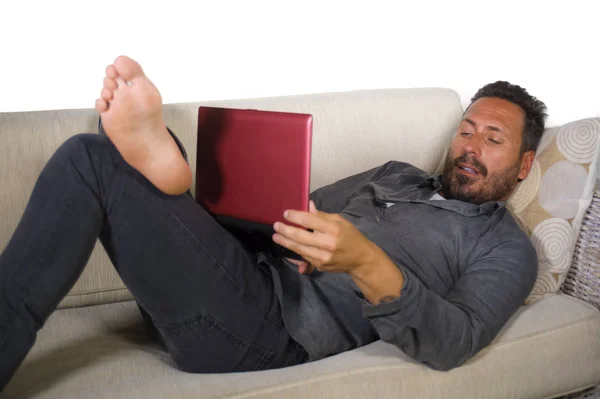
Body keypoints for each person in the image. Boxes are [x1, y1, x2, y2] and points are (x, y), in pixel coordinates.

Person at [0, 56, 547, 391]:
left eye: (492, 139)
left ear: (524, 165)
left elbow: (454, 341)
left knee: (90, 160)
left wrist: (365, 261)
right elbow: (292, 212)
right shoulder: (398, 175)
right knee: (100, 155)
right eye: (466, 130)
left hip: (268, 331)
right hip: (238, 277)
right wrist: (289, 232)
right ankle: (168, 175)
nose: (470, 146)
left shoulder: (504, 246)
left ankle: (164, 170)